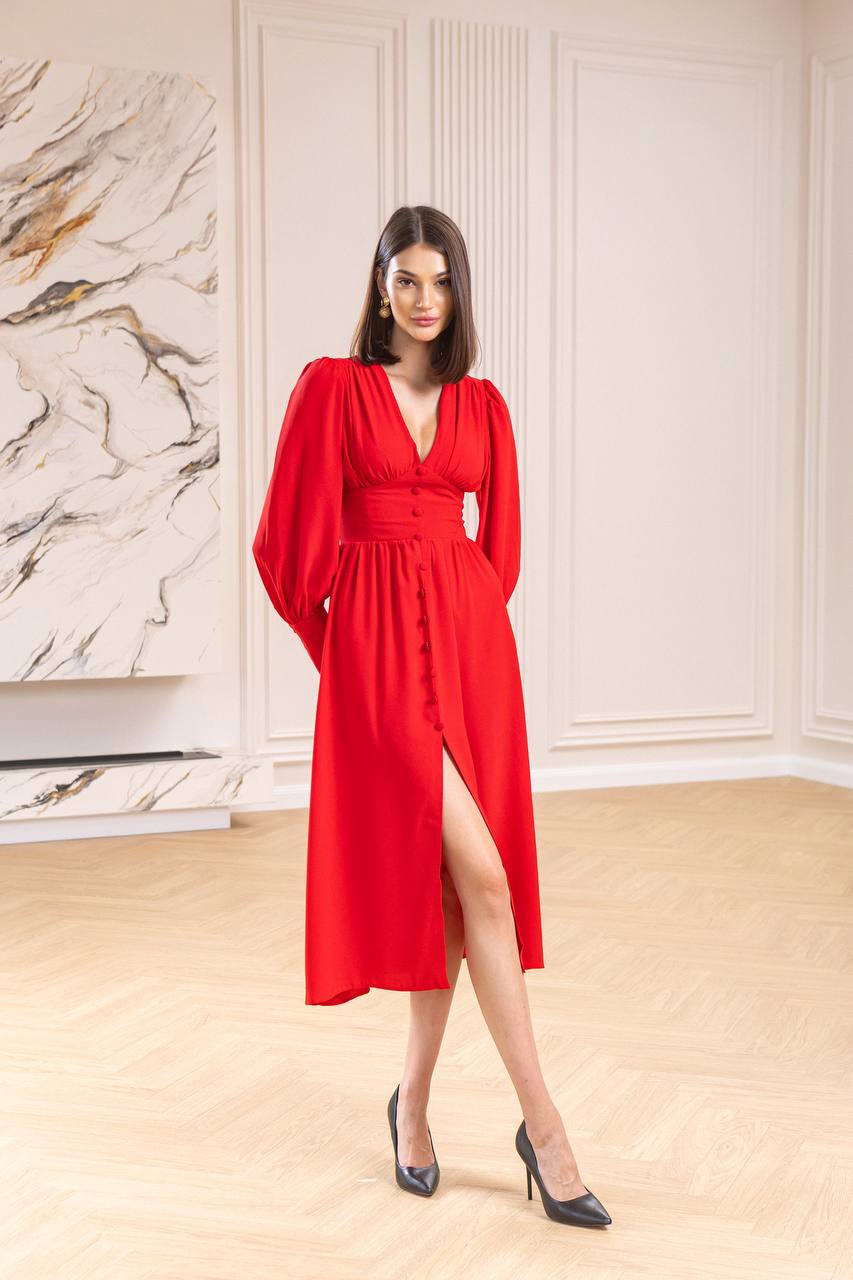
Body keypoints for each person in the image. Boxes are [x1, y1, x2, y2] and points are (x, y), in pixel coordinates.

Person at [252, 205, 611, 1229]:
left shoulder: (482, 404)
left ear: (459, 291)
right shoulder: (332, 389)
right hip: (373, 666)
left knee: (457, 897)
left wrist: (468, 635)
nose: (423, 298)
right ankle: (545, 1129)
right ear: (379, 289)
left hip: (471, 658)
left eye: (440, 280)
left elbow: (499, 553)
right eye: (405, 279)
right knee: (486, 878)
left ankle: (411, 1103)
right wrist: (344, 665)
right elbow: (282, 551)